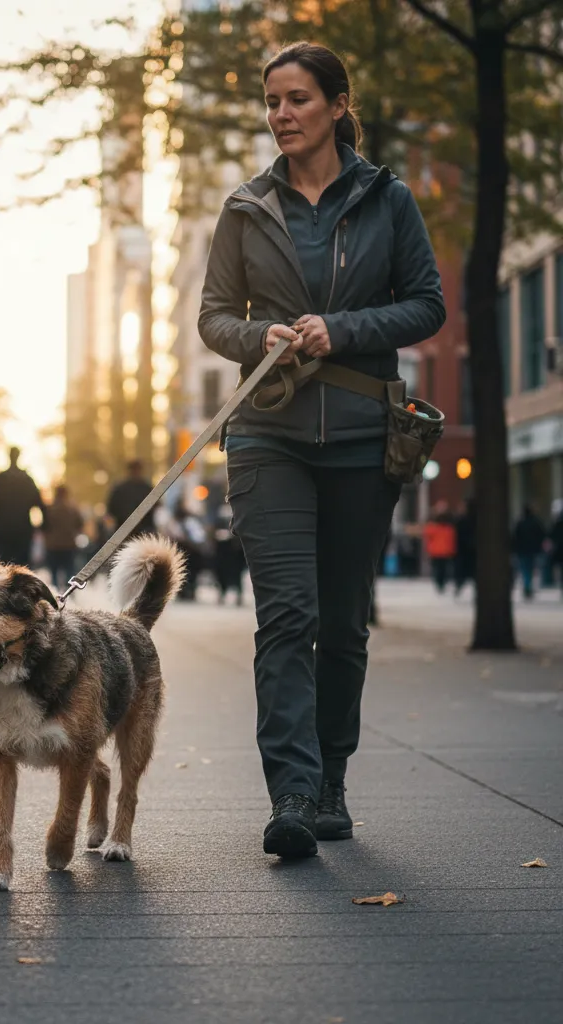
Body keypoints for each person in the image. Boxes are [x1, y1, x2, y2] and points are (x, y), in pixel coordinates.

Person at [198, 42, 445, 858]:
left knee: (342, 623)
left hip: (362, 437)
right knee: (287, 615)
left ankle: (332, 777)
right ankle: (294, 793)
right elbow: (212, 317)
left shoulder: (388, 200)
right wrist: (255, 332)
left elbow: (425, 305)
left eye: (298, 99)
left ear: (338, 105)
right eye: (272, 102)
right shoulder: (244, 208)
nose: (281, 115)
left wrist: (341, 329)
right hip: (268, 433)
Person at [0, 447, 44, 567]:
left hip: (2, 529)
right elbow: (39, 503)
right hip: (23, 529)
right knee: (22, 565)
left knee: (4, 564)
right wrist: (43, 526)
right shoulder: (27, 479)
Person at [43, 485, 85, 592]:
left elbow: (43, 527)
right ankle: (69, 592)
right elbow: (80, 525)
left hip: (53, 546)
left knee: (54, 573)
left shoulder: (49, 509)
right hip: (69, 545)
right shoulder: (72, 509)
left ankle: (56, 593)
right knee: (69, 571)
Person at [107, 460, 157, 540]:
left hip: (126, 531)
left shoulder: (119, 488)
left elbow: (111, 509)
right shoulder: (147, 488)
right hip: (139, 531)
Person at [212, 502, 246, 606]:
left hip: (235, 550)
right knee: (223, 573)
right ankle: (223, 594)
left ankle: (239, 596)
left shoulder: (239, 510)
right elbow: (214, 528)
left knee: (236, 574)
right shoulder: (220, 511)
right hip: (223, 550)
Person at [423, 501, 457, 594]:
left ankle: (440, 583)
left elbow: (428, 535)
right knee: (441, 569)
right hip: (441, 550)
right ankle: (440, 584)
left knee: (440, 569)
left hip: (440, 550)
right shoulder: (449, 526)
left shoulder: (435, 525)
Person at [512, 505, 545, 601]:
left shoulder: (520, 523)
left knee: (524, 569)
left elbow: (515, 537)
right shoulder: (535, 522)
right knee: (530, 569)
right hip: (533, 550)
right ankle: (528, 586)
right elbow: (542, 534)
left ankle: (527, 586)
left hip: (522, 550)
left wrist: (514, 549)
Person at [453, 498, 477, 596]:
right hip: (470, 550)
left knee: (462, 570)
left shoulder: (462, 520)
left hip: (464, 550)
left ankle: (459, 586)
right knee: (471, 570)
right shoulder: (475, 520)